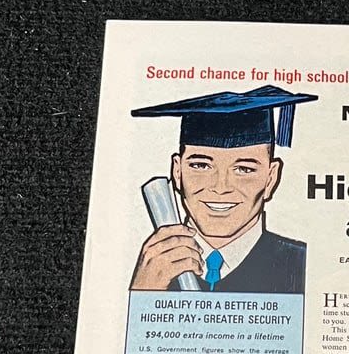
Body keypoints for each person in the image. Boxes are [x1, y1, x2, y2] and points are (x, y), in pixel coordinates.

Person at [129, 85, 317, 294]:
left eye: (244, 169)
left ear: (271, 178)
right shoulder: (150, 269)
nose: (221, 187)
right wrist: (143, 293)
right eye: (201, 166)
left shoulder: (302, 265)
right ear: (177, 172)